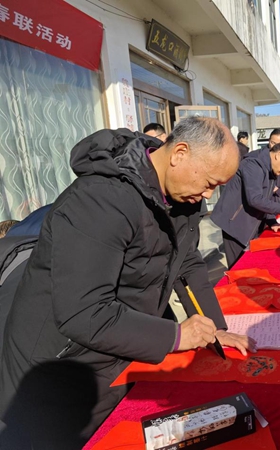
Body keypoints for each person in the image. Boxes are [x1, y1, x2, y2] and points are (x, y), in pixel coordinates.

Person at [0, 117, 256, 448]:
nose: (209, 194)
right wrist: (177, 335)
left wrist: (216, 329)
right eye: (208, 182)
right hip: (58, 367)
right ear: (179, 152)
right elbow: (84, 312)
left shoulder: (181, 195)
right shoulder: (99, 199)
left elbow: (187, 262)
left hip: (118, 348)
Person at [212, 142, 280, 268]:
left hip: (249, 223)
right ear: (279, 155)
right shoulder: (253, 164)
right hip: (235, 223)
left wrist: (272, 221)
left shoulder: (270, 169)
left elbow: (266, 198)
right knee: (239, 267)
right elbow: (255, 199)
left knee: (250, 265)